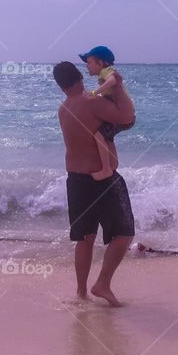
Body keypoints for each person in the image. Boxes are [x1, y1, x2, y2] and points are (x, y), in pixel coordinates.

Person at [53, 61, 136, 307]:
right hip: (102, 181)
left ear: (61, 87)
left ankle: (81, 293)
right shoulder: (91, 102)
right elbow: (127, 116)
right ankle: (102, 284)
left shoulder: (63, 108)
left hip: (75, 180)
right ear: (80, 78)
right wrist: (117, 86)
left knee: (85, 237)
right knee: (124, 233)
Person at [79, 46, 135, 181]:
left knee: (99, 135)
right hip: (122, 116)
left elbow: (112, 81)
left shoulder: (107, 71)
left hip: (124, 117)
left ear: (100, 63)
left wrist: (94, 92)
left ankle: (106, 169)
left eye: (89, 62)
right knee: (106, 136)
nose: (87, 66)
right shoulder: (102, 75)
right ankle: (110, 162)